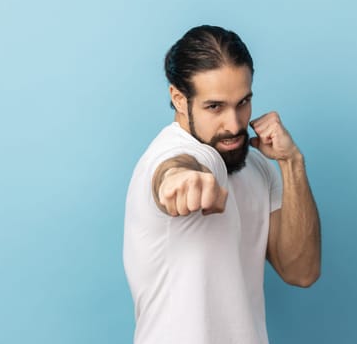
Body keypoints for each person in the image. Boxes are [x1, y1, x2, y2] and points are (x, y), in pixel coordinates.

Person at [123, 25, 321, 344]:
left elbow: (301, 272)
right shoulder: (172, 153)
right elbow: (175, 166)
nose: (233, 124)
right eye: (214, 107)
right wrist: (181, 180)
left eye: (242, 103)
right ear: (178, 98)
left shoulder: (257, 165)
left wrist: (292, 162)